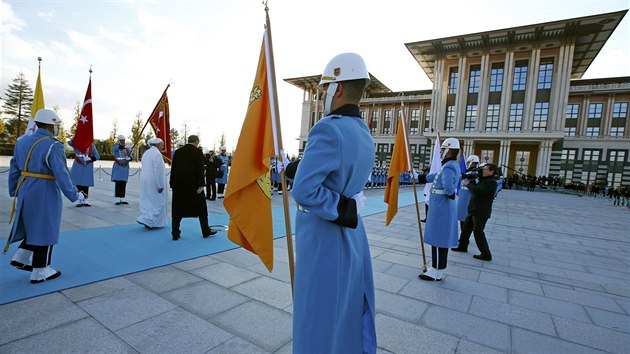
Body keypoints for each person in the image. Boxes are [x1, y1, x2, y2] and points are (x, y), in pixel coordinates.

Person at [280, 52, 377, 354]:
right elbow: (337, 175)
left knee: (317, 317)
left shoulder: (328, 128)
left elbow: (305, 192)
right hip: (353, 238)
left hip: (324, 239)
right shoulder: (364, 133)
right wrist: (298, 166)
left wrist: (341, 208)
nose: (323, 94)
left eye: (326, 88)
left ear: (339, 88)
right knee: (344, 315)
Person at [7, 109, 85, 283]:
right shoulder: (53, 144)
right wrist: (75, 195)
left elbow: (14, 168)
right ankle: (41, 270)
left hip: (25, 186)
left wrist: (14, 190)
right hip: (44, 189)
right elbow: (61, 173)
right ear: (51, 126)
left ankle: (21, 255)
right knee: (45, 226)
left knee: (32, 223)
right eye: (56, 125)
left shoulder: (21, 141)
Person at [416, 138, 461, 281]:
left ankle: (436, 271)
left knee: (438, 238)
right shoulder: (449, 165)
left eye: (443, 149)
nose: (441, 152)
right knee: (439, 237)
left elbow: (448, 188)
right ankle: (437, 269)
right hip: (441, 206)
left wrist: (450, 193)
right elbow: (435, 177)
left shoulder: (449, 167)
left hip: (442, 206)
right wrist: (420, 177)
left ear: (448, 150)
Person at [170, 135, 217, 240]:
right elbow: (199, 170)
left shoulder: (178, 152)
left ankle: (175, 233)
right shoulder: (197, 153)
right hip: (194, 187)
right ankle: (205, 231)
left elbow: (173, 169)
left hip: (179, 187)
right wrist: (201, 185)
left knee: (177, 210)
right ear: (196, 142)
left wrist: (172, 184)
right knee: (201, 210)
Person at [451, 163, 498, 261]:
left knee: (478, 232)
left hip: (481, 212)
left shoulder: (491, 182)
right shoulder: (483, 179)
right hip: (473, 209)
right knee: (466, 229)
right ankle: (462, 246)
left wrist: (468, 183)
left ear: (491, 171)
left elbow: (477, 191)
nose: (483, 171)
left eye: (485, 169)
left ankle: (486, 254)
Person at [137, 138, 167, 229]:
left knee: (148, 200)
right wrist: (161, 185)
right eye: (162, 145)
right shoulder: (157, 154)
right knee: (157, 201)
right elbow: (159, 171)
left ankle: (146, 218)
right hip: (154, 181)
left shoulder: (146, 153)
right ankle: (150, 221)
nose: (163, 147)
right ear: (158, 145)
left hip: (145, 180)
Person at [69, 139, 100, 207]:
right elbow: (69, 143)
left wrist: (90, 159)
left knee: (85, 184)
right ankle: (79, 200)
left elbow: (97, 156)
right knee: (78, 183)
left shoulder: (92, 146)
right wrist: (77, 137)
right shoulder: (77, 144)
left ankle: (85, 199)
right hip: (78, 165)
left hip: (87, 166)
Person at [457, 155, 480, 228]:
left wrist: (465, 180)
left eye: (468, 162)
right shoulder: (468, 172)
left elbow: (473, 186)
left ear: (473, 163)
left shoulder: (475, 173)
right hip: (463, 198)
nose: (467, 163)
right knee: (462, 218)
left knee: (466, 219)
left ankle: (464, 237)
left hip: (468, 199)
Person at [111, 134, 132, 205]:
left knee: (123, 183)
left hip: (125, 167)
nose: (123, 142)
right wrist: (125, 146)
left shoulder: (127, 149)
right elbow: (117, 148)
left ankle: (122, 198)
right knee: (118, 182)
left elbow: (131, 156)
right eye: (121, 140)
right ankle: (117, 198)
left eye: (124, 140)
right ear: (118, 141)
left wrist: (129, 158)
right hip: (118, 166)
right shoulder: (115, 146)